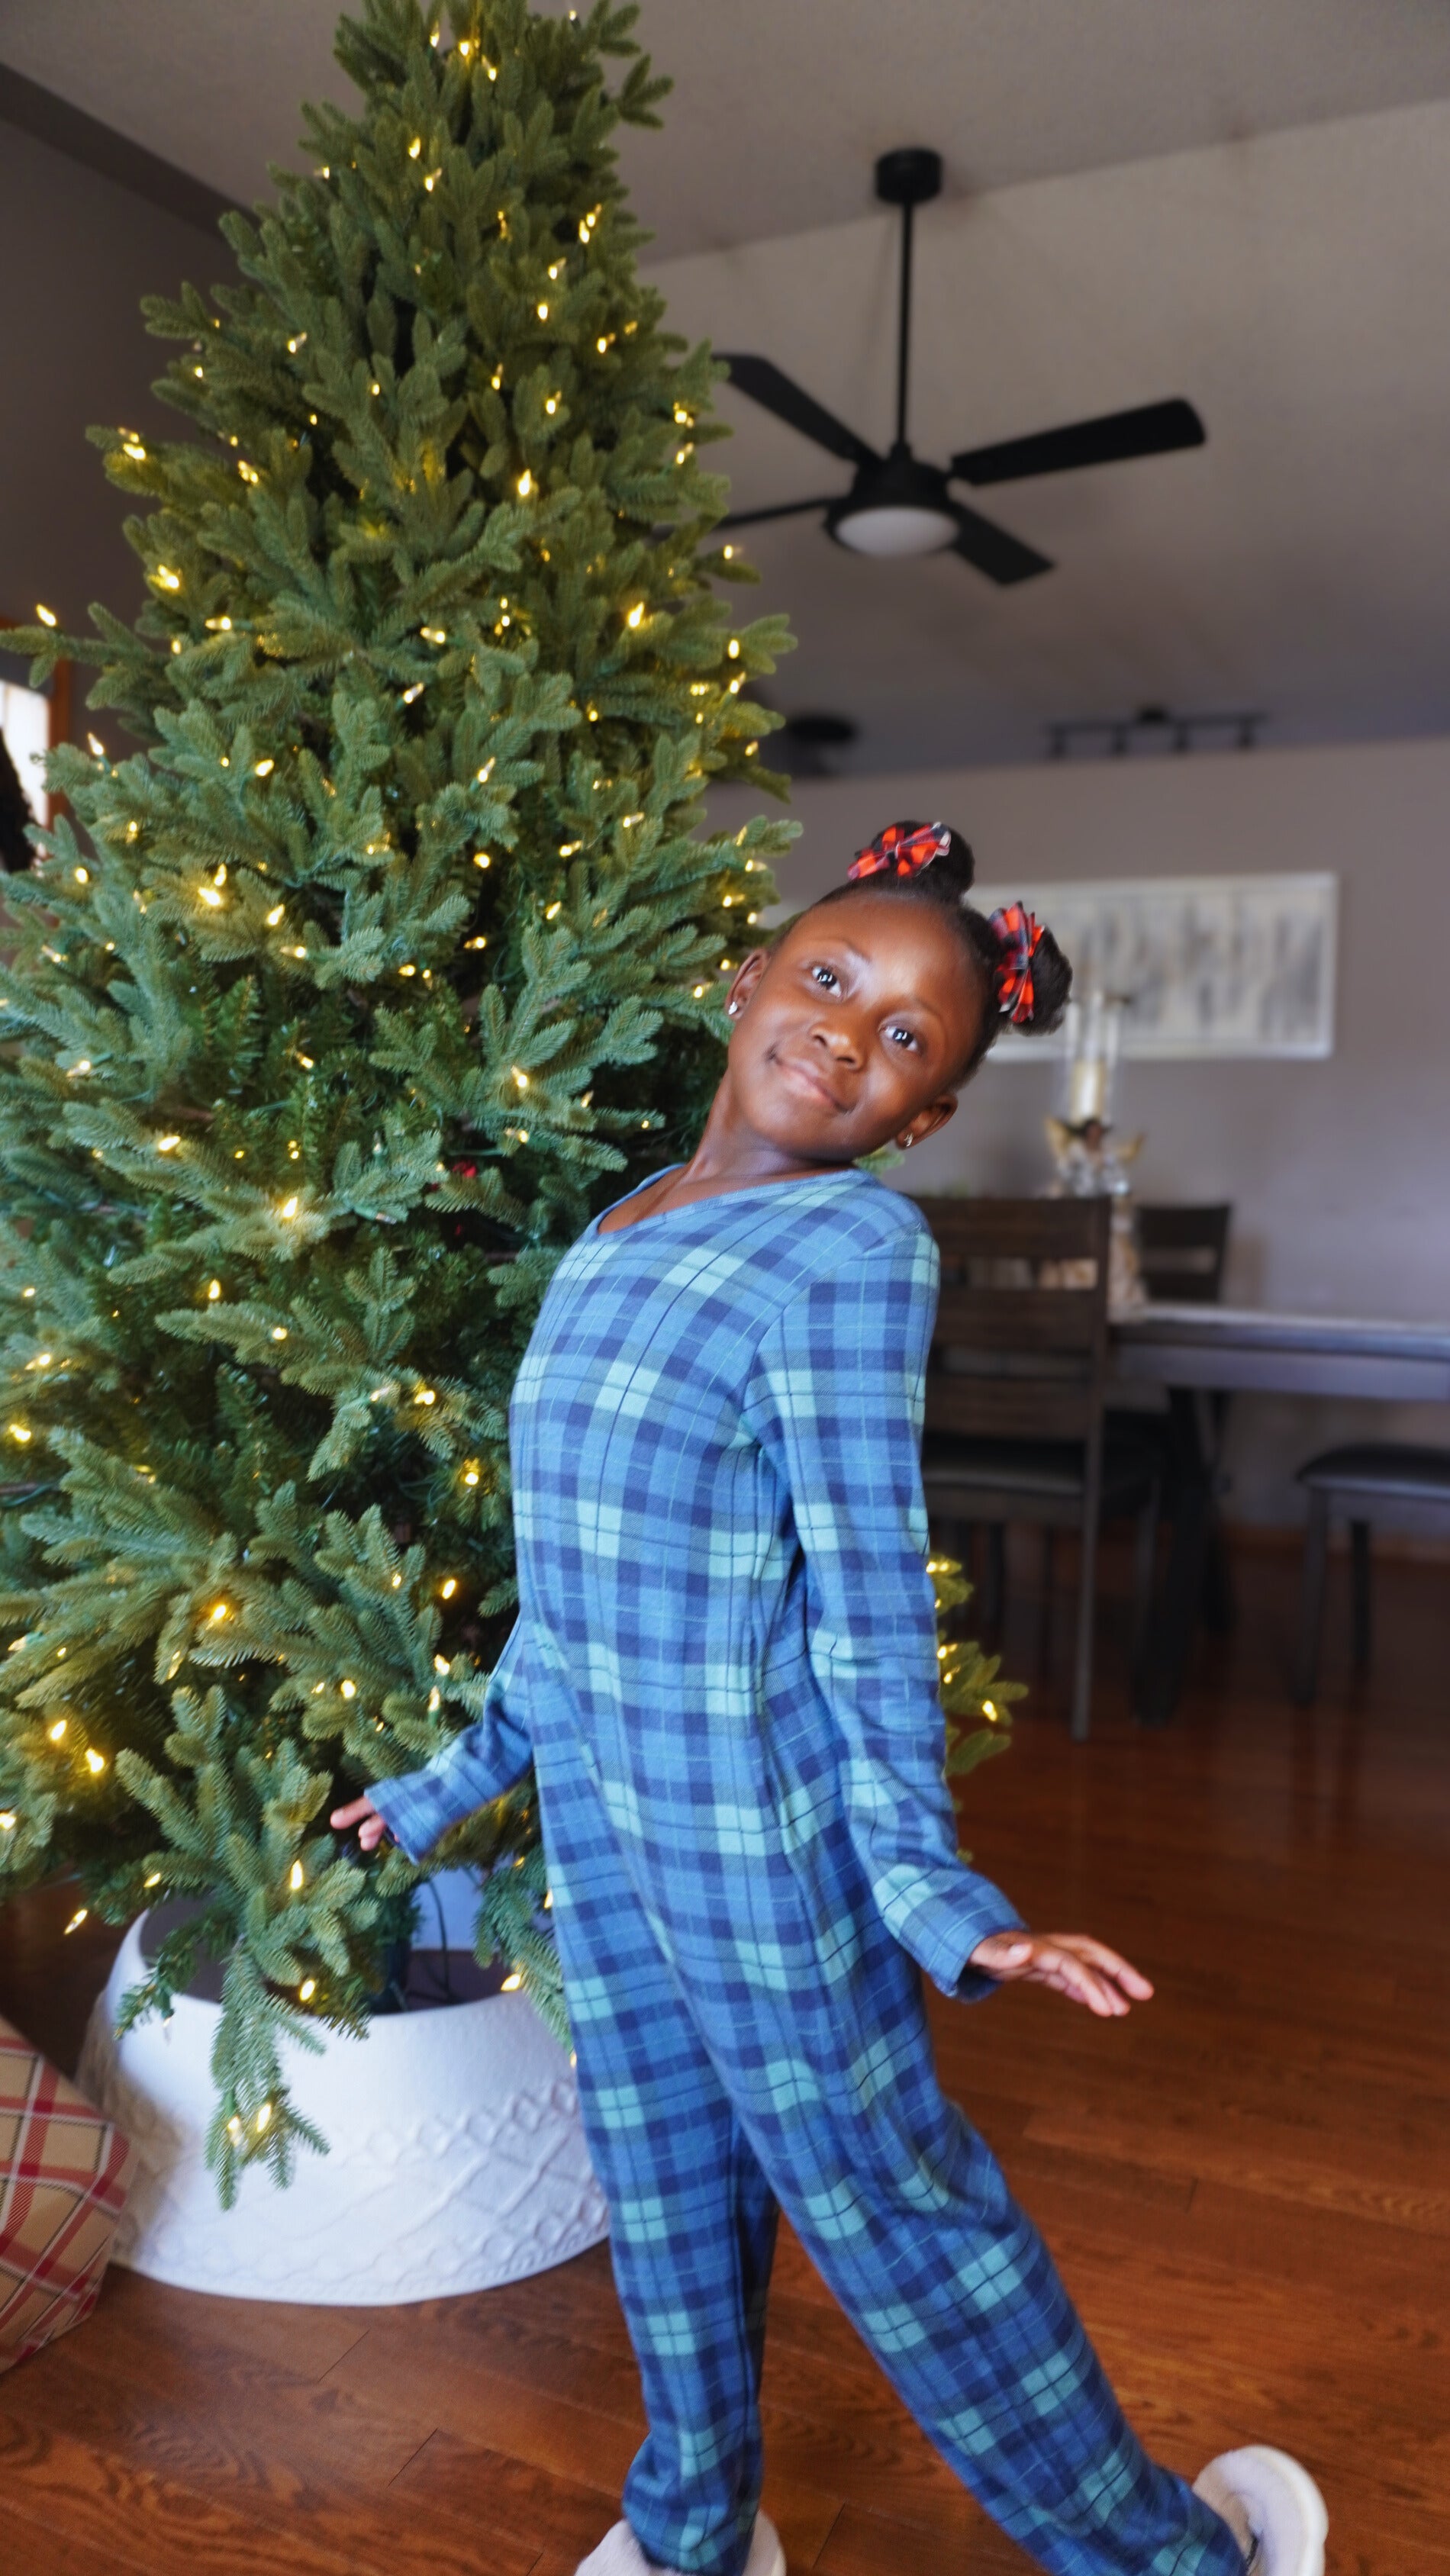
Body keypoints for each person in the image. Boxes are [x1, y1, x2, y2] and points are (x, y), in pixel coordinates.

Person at [333, 820, 1327, 2576]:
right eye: (831, 979)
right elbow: (577, 1588)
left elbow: (871, 1598)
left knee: (893, 2214)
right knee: (664, 2195)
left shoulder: (849, 1251)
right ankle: (691, 2530)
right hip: (609, 1839)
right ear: (749, 980)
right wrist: (443, 1784)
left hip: (763, 1850)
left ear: (920, 1117)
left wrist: (939, 1894)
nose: (851, 1034)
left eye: (907, 1041)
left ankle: (1173, 2557)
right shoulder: (617, 1222)